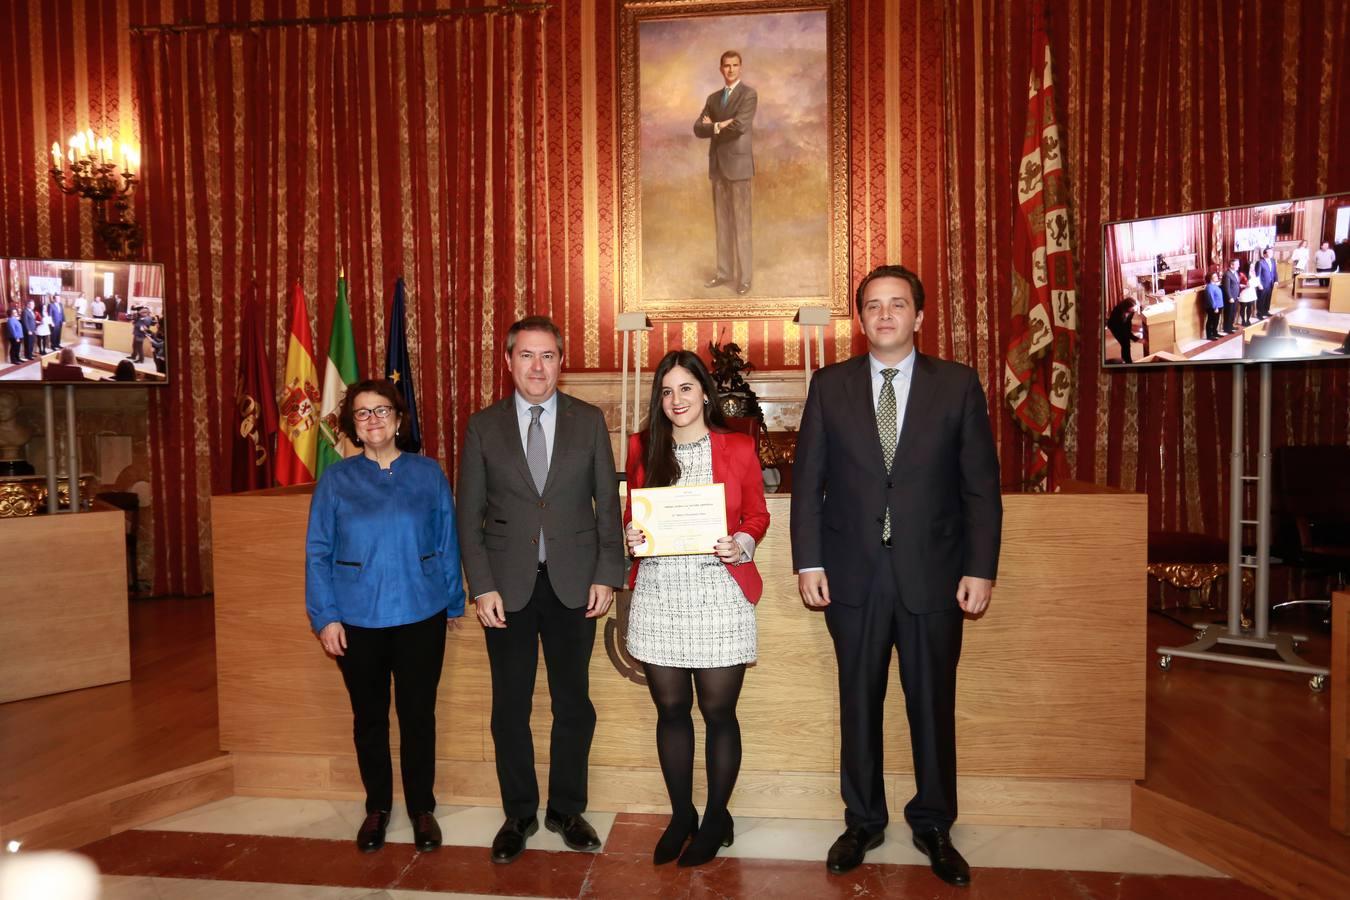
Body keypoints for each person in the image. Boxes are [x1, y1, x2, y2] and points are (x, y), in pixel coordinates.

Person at [791, 264, 1002, 887]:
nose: (885, 315)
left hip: (933, 575)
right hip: (852, 575)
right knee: (858, 701)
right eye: (874, 306)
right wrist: (809, 561)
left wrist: (980, 570)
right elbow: (808, 484)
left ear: (919, 316)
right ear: (860, 320)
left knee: (932, 703)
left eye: (898, 304)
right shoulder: (830, 386)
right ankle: (862, 820)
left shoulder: (957, 385)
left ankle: (934, 822)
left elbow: (981, 491)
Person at [456, 315, 625, 865]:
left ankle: (567, 809)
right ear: (508, 362)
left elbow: (607, 504)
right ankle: (520, 812)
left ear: (561, 362)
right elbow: (469, 516)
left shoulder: (589, 421)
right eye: (526, 355)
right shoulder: (483, 427)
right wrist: (481, 586)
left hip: (575, 584)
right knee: (510, 706)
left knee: (573, 703)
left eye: (548, 356)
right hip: (506, 589)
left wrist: (607, 574)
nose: (537, 366)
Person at [621, 350, 769, 868]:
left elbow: (756, 513)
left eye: (685, 388)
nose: (676, 400)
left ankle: (716, 816)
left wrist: (743, 543)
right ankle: (681, 813)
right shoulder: (643, 447)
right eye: (666, 391)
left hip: (719, 595)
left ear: (704, 392)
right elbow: (631, 517)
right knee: (671, 711)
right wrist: (630, 534)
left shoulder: (737, 446)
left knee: (718, 712)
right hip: (660, 595)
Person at [305, 378, 465, 854]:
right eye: (362, 413)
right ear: (352, 425)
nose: (373, 420)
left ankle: (422, 809)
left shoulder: (428, 473)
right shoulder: (335, 479)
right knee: (369, 717)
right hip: (355, 619)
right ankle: (377, 807)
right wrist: (325, 616)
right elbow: (318, 551)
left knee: (419, 716)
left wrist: (453, 601)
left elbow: (446, 540)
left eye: (382, 411)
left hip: (421, 614)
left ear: (398, 418)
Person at [694, 50, 757, 296]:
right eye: (726, 66)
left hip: (739, 168)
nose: (730, 69)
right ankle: (723, 273)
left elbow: (741, 126)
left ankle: (745, 278)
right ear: (721, 69)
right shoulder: (712, 98)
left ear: (740, 68)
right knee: (722, 224)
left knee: (741, 225)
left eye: (735, 65)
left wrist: (714, 126)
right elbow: (698, 128)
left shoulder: (748, 95)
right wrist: (721, 125)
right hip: (718, 167)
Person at [1106, 298, 1143, 363]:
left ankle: (1126, 360)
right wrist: (1136, 339)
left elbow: (1128, 323)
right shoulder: (1118, 313)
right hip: (1115, 327)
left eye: (1135, 307)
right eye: (1132, 308)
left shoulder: (1132, 310)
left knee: (1126, 344)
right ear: (1127, 308)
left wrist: (1133, 336)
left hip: (1123, 325)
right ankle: (1128, 362)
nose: (1134, 309)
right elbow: (1124, 331)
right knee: (1125, 343)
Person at [1222, 258, 1242, 332]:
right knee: (1229, 313)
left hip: (1235, 296)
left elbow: (1236, 284)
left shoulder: (1235, 273)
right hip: (1230, 298)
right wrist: (1230, 297)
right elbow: (1226, 287)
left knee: (1233, 312)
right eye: (1237, 264)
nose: (1239, 266)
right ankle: (1227, 328)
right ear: (1231, 265)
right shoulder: (1227, 274)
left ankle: (1231, 325)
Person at [1204, 271, 1224, 340]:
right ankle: (1209, 335)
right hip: (1213, 307)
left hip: (1219, 306)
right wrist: (1215, 307)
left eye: (1216, 276)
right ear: (1210, 278)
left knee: (1216, 320)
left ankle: (1215, 332)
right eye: (1215, 276)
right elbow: (1211, 298)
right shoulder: (1209, 287)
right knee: (1211, 321)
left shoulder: (1215, 285)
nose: (1217, 277)